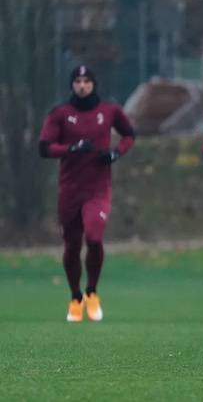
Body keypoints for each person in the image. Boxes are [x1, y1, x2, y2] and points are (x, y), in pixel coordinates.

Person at [39, 65, 135, 322]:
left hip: (97, 189)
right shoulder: (60, 113)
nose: (82, 85)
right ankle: (75, 297)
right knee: (71, 246)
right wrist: (71, 149)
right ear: (72, 84)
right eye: (78, 81)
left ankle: (92, 292)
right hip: (70, 190)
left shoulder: (109, 110)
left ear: (94, 84)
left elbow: (129, 135)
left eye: (87, 81)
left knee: (94, 237)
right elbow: (45, 147)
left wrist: (115, 153)